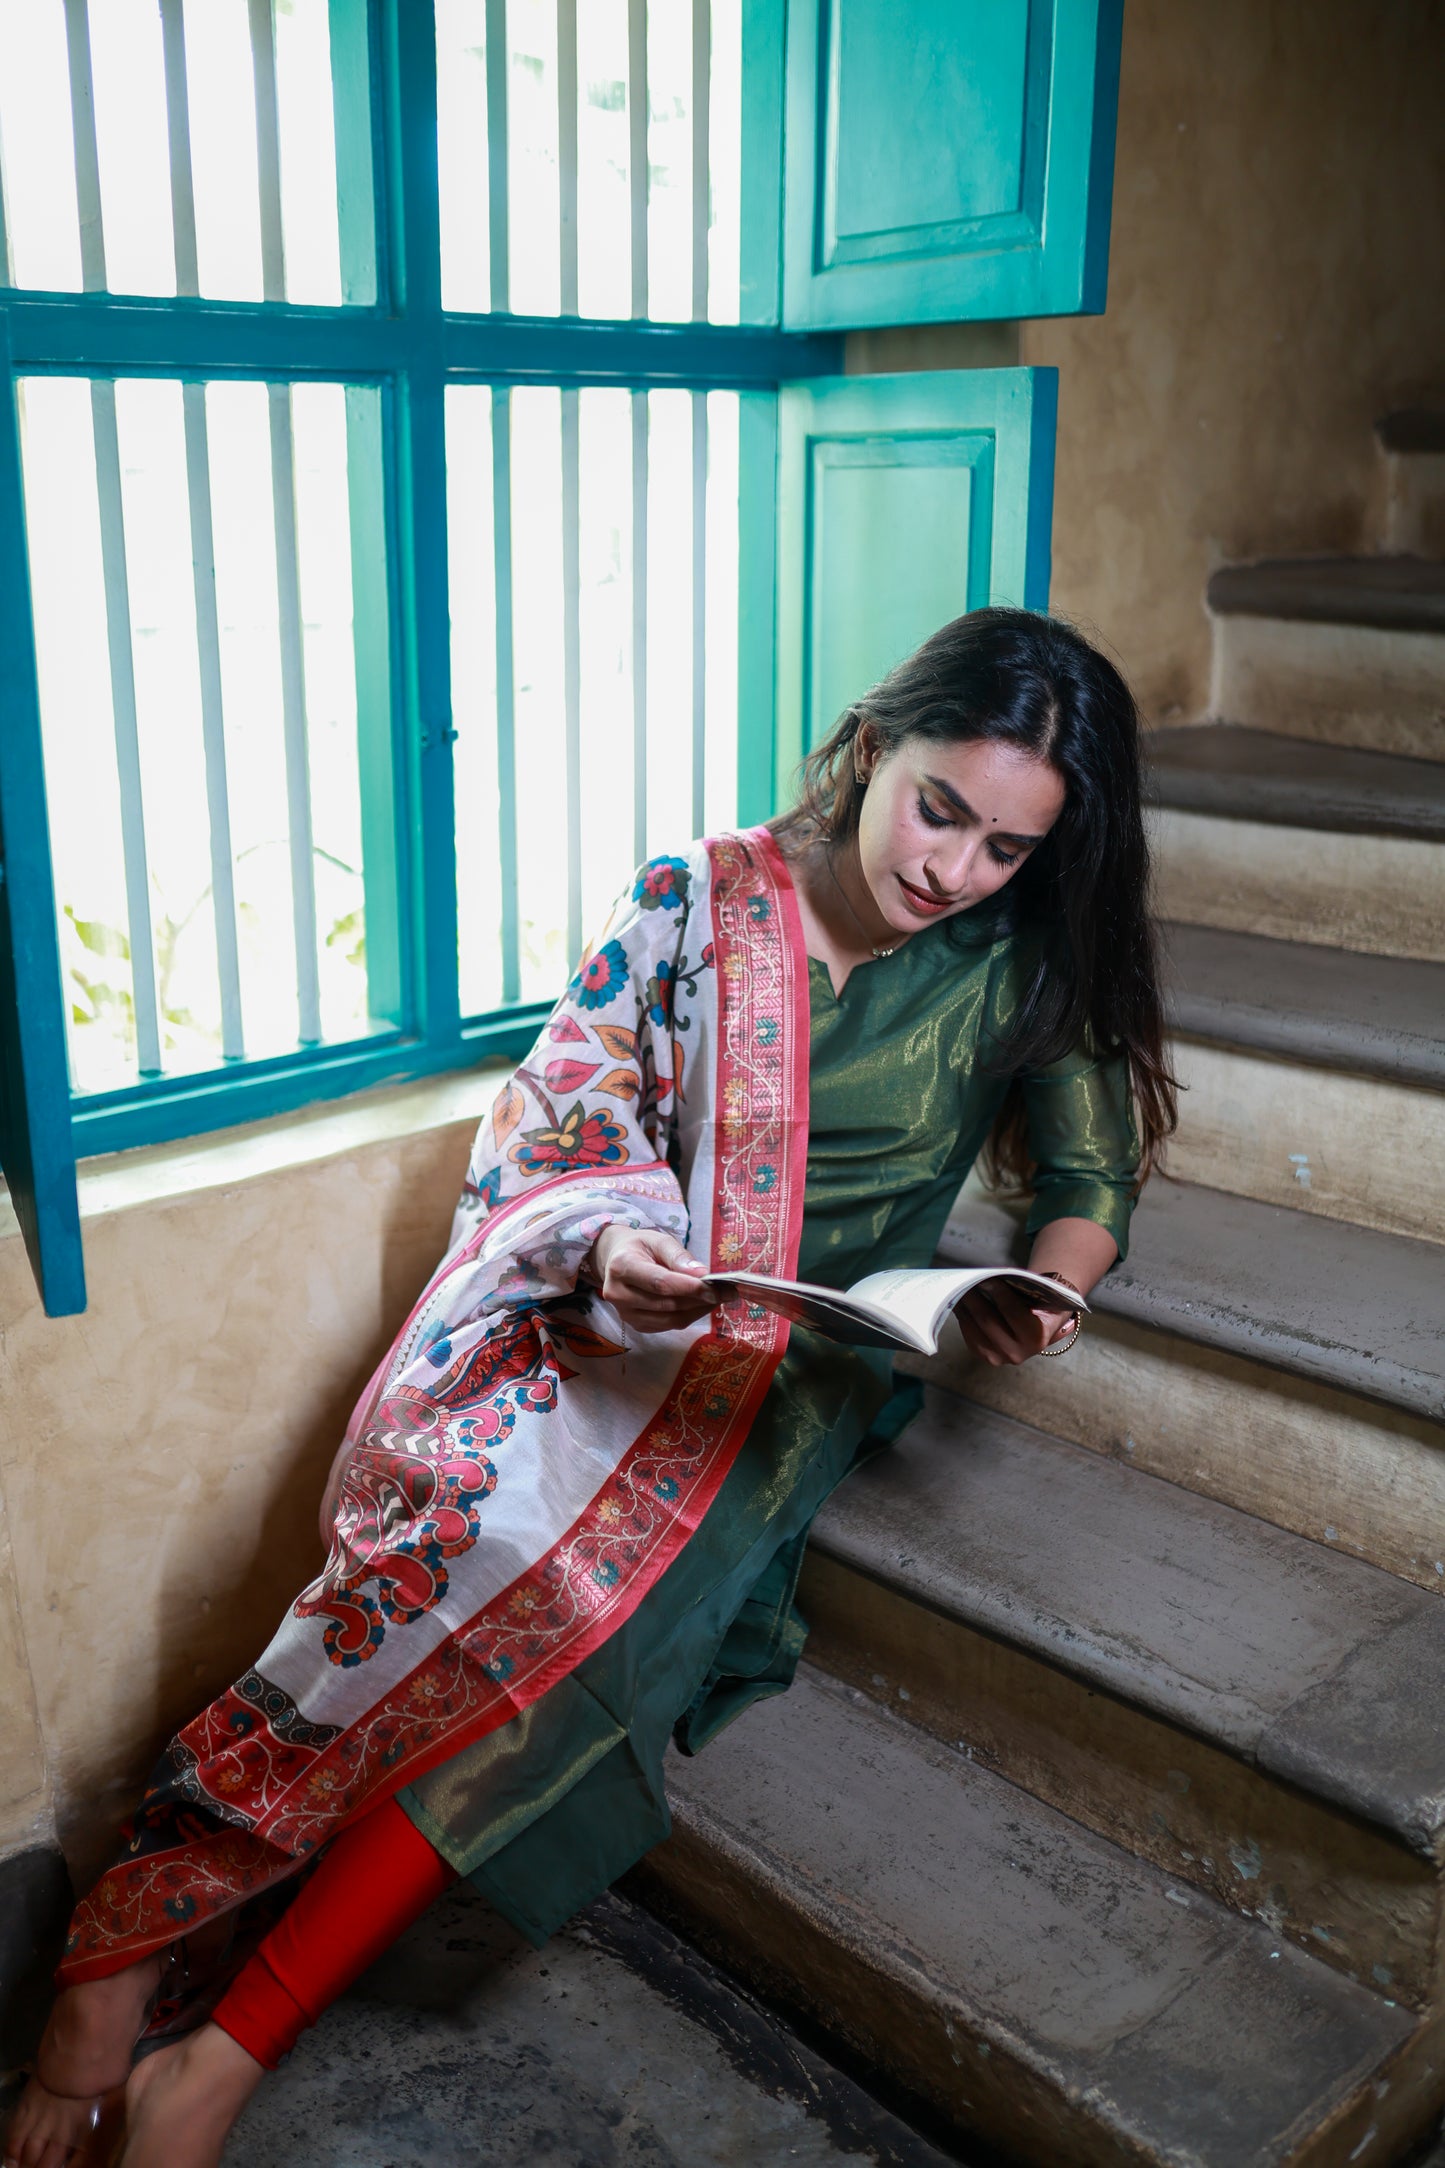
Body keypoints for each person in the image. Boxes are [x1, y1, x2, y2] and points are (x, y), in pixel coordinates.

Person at [5, 608, 1176, 2168]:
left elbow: (1090, 1176)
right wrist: (618, 1240)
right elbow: (561, 1101)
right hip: (588, 1314)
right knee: (438, 1541)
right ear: (874, 746)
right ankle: (120, 1952)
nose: (951, 871)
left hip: (778, 1383)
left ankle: (216, 2058)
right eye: (937, 810)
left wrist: (1052, 1290)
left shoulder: (1017, 964)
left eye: (1004, 849)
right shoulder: (700, 896)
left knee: (574, 1644)